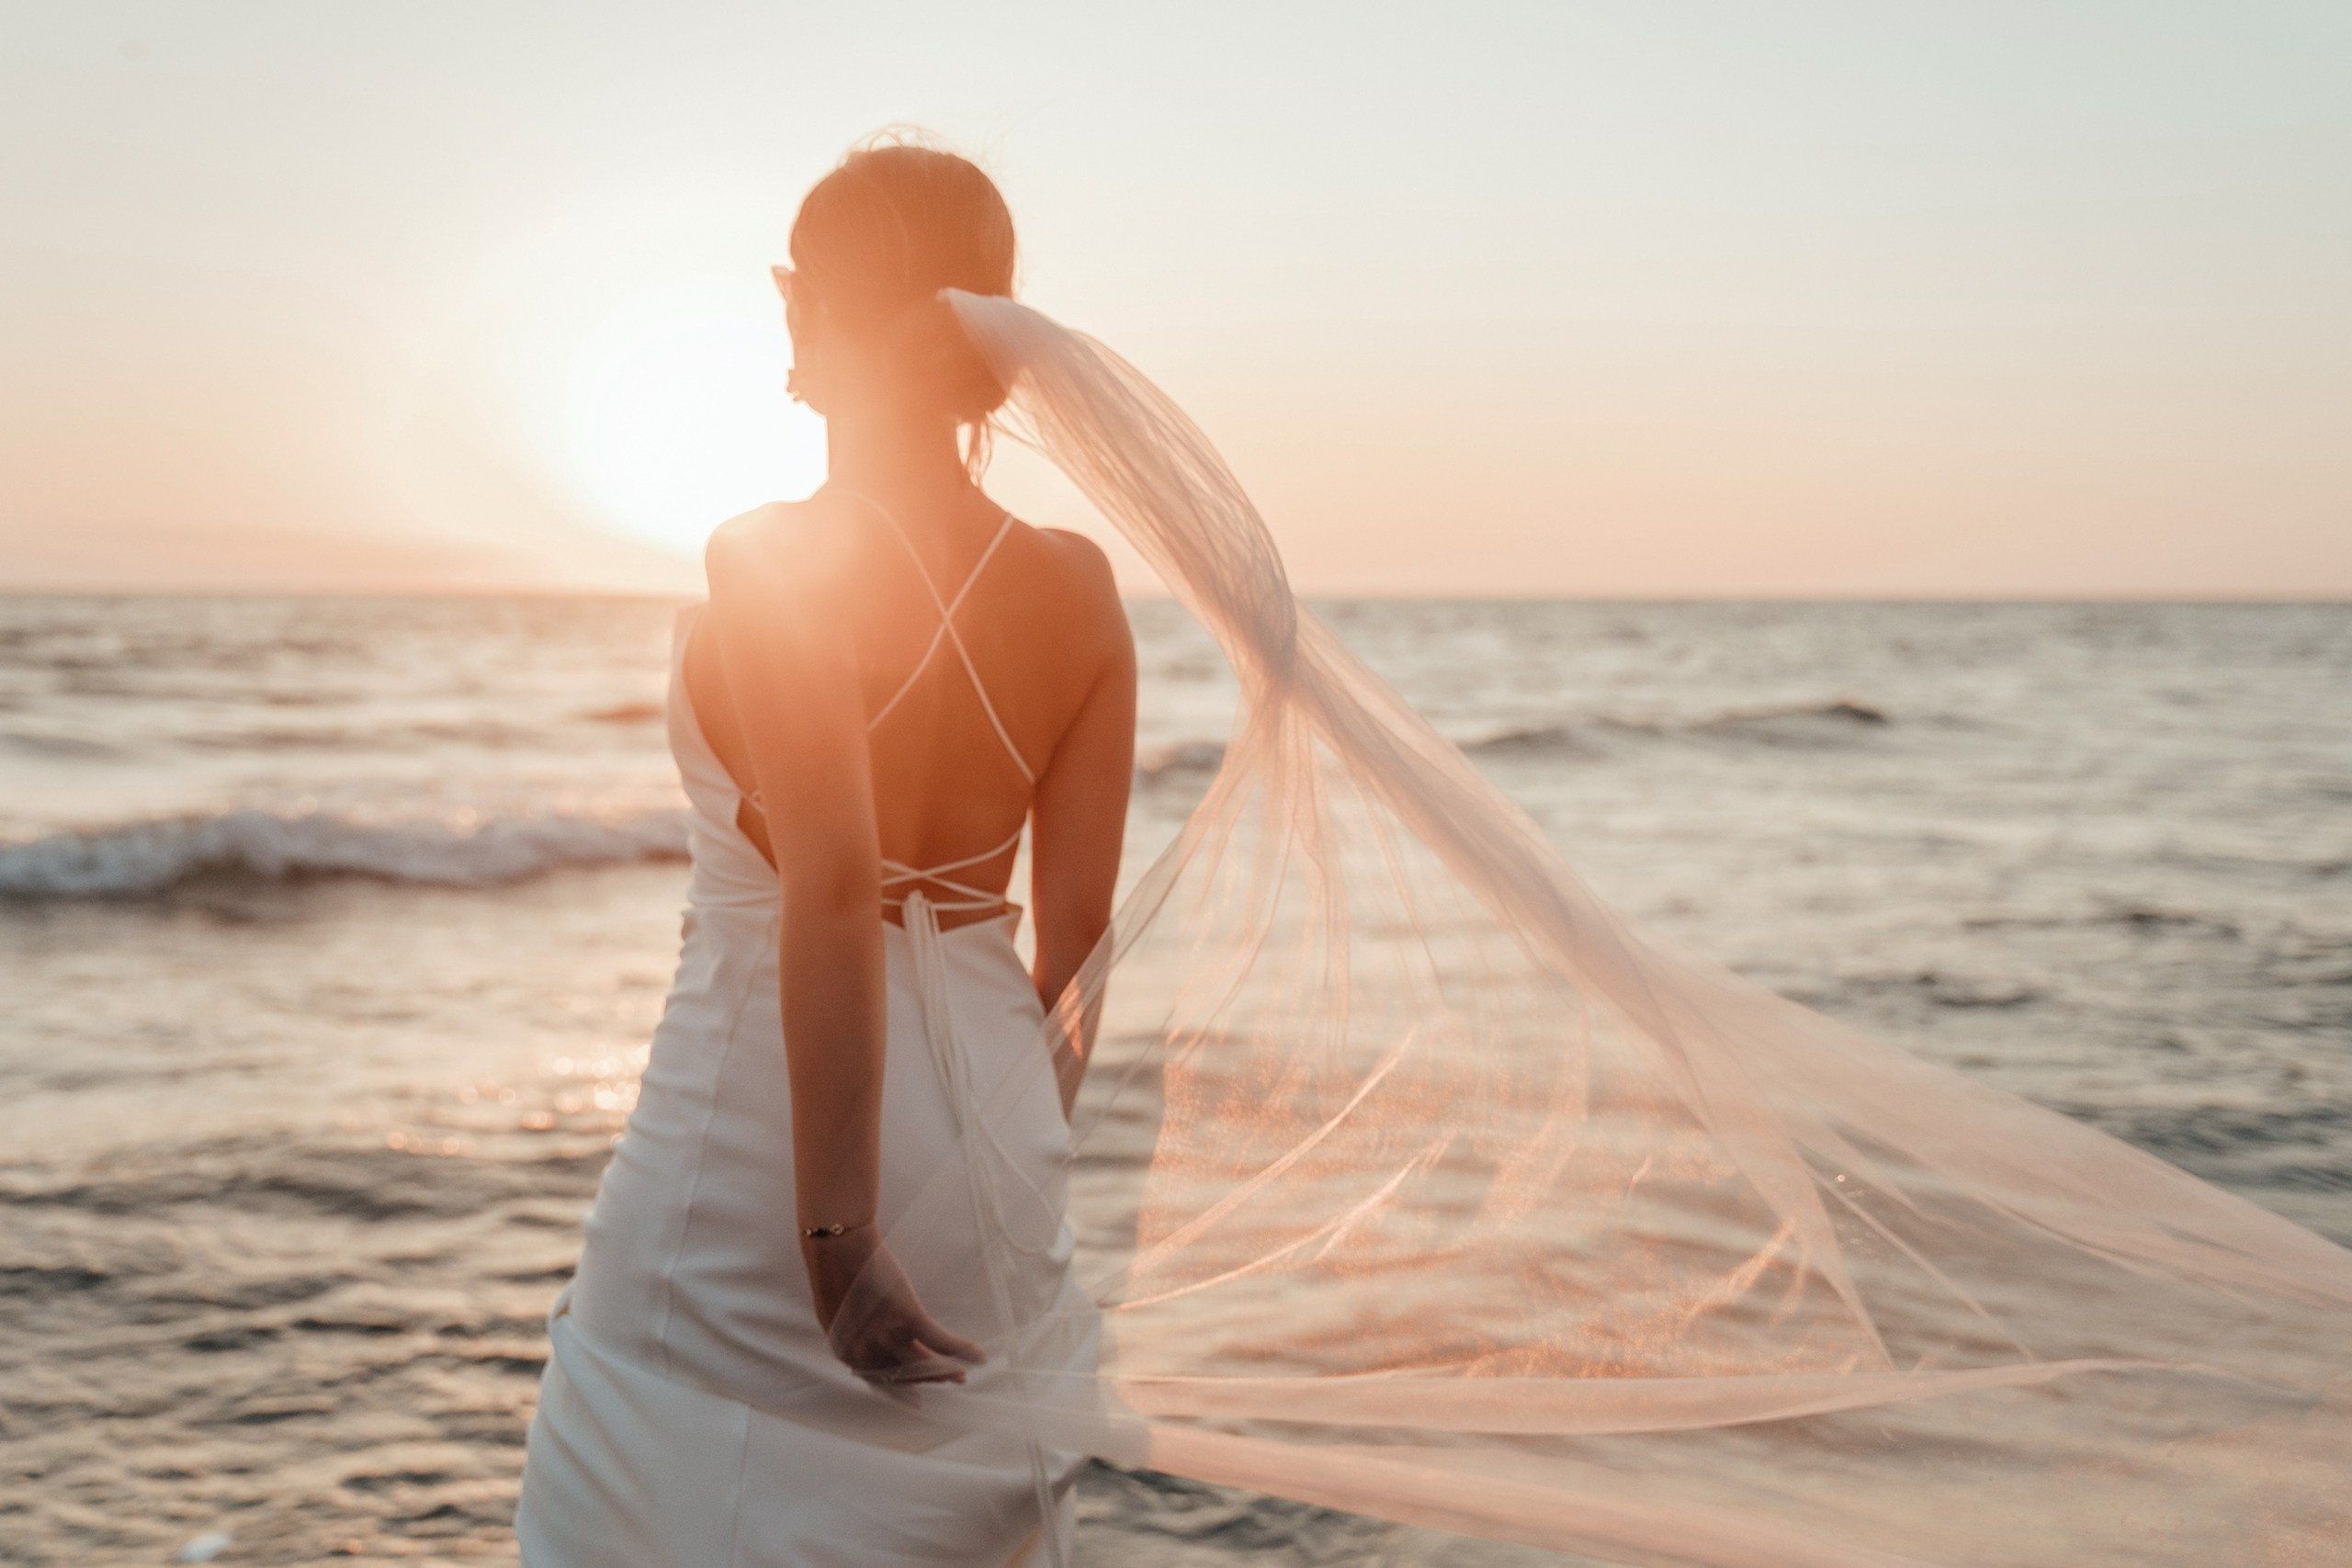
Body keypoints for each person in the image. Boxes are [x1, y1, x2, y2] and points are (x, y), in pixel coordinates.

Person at [516, 141, 1134, 1568]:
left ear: (804, 303)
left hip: (776, 1156)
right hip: (994, 1136)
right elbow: (1083, 938)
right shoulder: (1081, 590)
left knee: (649, 1499)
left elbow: (838, 884)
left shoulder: (771, 555)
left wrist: (838, 1237)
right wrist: (1004, 1148)